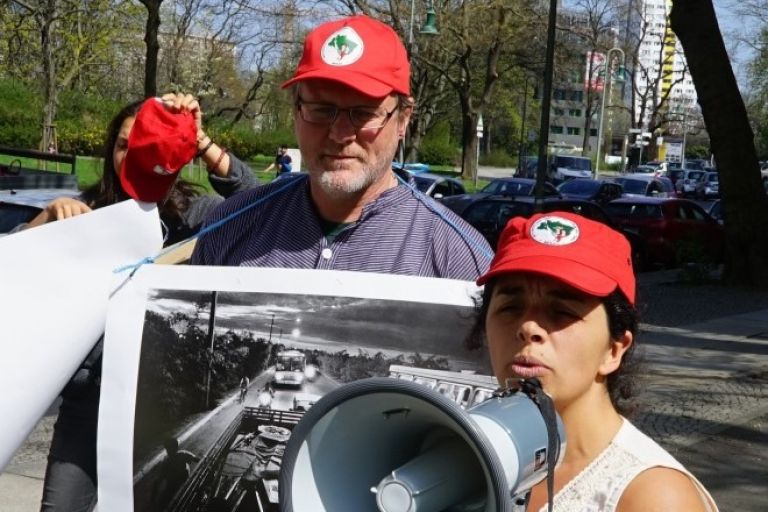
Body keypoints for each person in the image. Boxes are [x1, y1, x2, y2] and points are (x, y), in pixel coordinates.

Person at [36, 94, 256, 512]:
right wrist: (48, 219)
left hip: (156, 401)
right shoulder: (85, 210)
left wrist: (200, 141)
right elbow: (16, 265)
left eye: (144, 144)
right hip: (89, 400)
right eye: (122, 145)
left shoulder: (197, 215)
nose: (131, 155)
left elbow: (259, 200)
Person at [191, 15, 492, 280]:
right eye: (321, 110)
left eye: (363, 113)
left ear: (403, 120)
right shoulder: (229, 228)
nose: (340, 134)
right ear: (297, 111)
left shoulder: (460, 260)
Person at [467, 212, 718, 511]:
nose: (528, 327)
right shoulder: (462, 454)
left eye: (562, 311)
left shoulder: (653, 497)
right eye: (511, 306)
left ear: (614, 349)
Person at [150, 438, 199, 510]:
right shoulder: (182, 455)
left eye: (169, 448)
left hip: (174, 487)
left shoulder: (169, 461)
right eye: (168, 449)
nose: (169, 451)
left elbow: (158, 481)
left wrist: (153, 497)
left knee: (161, 504)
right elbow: (196, 459)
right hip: (180, 485)